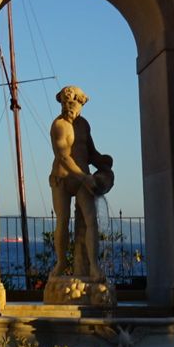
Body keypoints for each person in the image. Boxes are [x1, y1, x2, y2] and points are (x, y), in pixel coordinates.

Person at [49, 85, 114, 281]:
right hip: (63, 178)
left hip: (83, 179)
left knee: (91, 221)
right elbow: (63, 157)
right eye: (65, 103)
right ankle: (61, 263)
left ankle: (94, 266)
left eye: (72, 103)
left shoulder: (84, 125)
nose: (68, 107)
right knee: (62, 221)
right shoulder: (59, 125)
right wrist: (85, 178)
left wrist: (102, 160)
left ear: (80, 104)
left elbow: (90, 151)